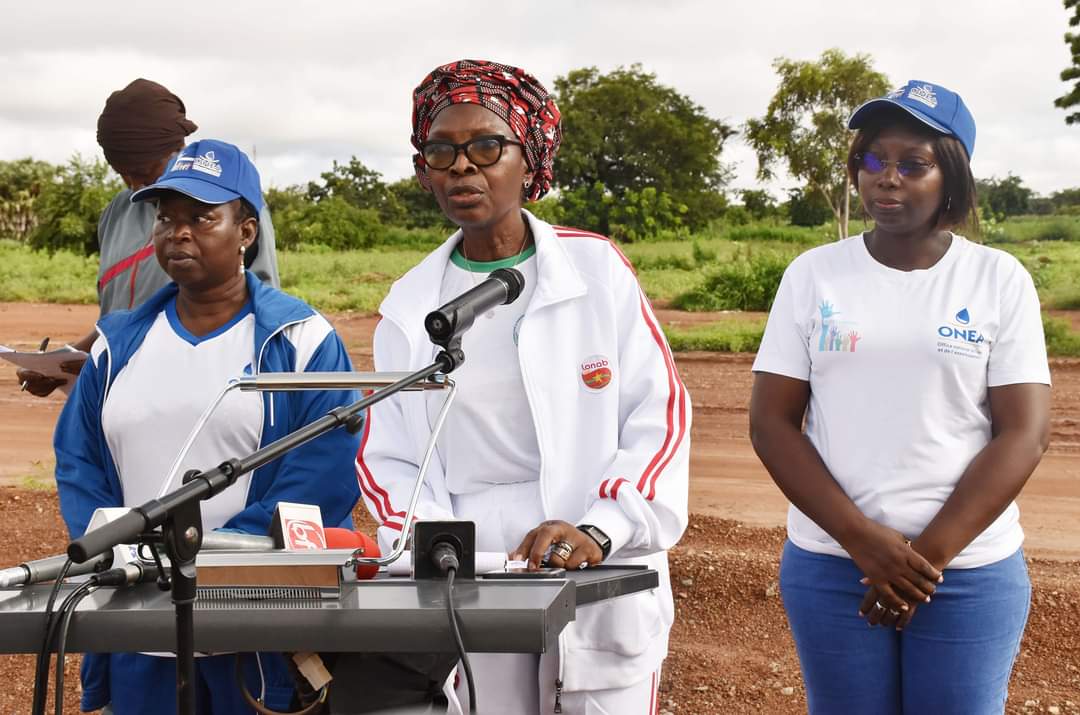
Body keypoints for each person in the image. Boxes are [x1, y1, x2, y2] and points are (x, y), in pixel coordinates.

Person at [356, 59, 690, 714]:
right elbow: (392, 457)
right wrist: (437, 549)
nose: (461, 167)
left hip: (594, 554)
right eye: (441, 151)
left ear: (528, 157)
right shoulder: (410, 305)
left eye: (486, 146)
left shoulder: (594, 269)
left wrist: (600, 528)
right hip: (474, 571)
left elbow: (659, 417)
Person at [749, 80, 1051, 713]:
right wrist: (863, 542)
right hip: (834, 564)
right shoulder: (813, 275)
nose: (887, 179)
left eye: (913, 165)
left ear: (953, 177)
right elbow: (772, 424)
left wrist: (924, 561)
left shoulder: (997, 279)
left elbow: (1024, 433)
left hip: (966, 570)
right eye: (873, 160)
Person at [54, 139, 361, 714]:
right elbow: (78, 463)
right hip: (140, 624)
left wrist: (217, 556)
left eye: (202, 216)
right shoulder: (117, 344)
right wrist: (118, 549)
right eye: (166, 218)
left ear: (245, 231)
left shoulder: (301, 340)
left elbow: (321, 474)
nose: (179, 232)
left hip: (256, 626)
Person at [17, 78, 280, 396]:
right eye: (122, 172)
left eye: (143, 170)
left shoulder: (230, 207)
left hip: (197, 393)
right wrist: (63, 362)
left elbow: (262, 314)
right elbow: (118, 320)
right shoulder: (118, 211)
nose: (134, 184)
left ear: (177, 151)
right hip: (114, 397)